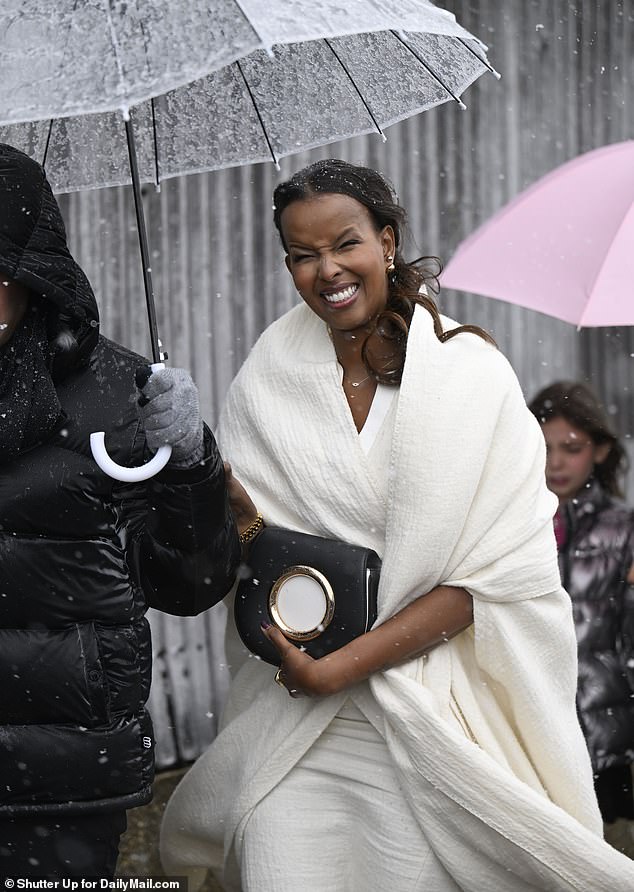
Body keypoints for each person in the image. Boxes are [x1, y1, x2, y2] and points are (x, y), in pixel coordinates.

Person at [160, 159, 634, 891]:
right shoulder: (265, 377)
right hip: (296, 725)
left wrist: (346, 666)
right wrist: (210, 487)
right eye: (302, 255)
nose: (327, 271)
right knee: (280, 860)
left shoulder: (470, 378)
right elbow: (253, 557)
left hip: (435, 711)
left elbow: (499, 575)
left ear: (387, 240)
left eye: (344, 243)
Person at [0, 143, 240, 878]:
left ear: (27, 269)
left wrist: (192, 463)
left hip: (66, 773)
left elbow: (189, 582)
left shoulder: (120, 393)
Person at [528, 381, 634, 833]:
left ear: (601, 450)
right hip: (534, 725)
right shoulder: (513, 523)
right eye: (544, 446)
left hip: (607, 735)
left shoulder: (625, 530)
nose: (555, 462)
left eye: (571, 448)